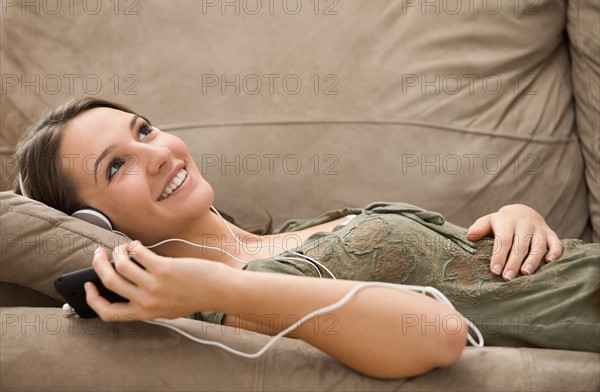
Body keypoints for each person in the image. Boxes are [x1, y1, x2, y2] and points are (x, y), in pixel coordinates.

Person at [14, 97, 599, 379]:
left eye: (144, 130)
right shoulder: (233, 299)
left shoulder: (291, 237)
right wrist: (220, 288)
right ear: (94, 226)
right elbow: (440, 333)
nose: (158, 154)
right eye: (115, 166)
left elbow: (465, 266)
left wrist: (517, 216)